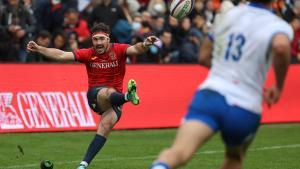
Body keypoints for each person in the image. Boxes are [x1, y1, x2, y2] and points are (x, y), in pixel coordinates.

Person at [149, 0, 293, 169]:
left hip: (212, 94)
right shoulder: (278, 25)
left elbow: (203, 57)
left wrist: (226, 67)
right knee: (234, 158)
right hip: (245, 105)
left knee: (178, 152)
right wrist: (279, 86)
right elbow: (281, 47)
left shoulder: (228, 15)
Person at [27, 22, 158, 169]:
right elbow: (62, 55)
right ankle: (128, 96)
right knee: (108, 92)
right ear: (92, 40)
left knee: (105, 127)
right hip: (96, 96)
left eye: (102, 39)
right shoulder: (88, 53)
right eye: (95, 39)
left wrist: (146, 44)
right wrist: (39, 48)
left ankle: (83, 165)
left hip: (115, 101)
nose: (99, 43)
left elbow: (135, 49)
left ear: (108, 39)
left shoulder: (119, 49)